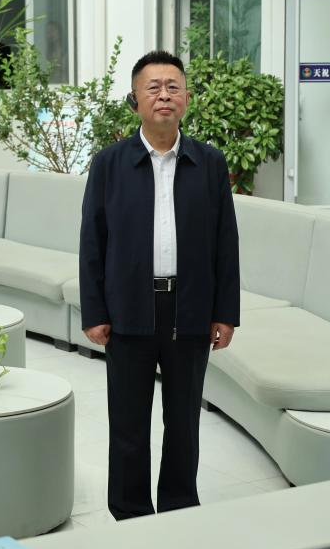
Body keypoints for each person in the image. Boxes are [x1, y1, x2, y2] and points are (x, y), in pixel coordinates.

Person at [79, 50, 239, 520]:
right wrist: (95, 311)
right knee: (128, 422)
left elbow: (225, 242)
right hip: (128, 308)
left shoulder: (209, 162)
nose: (164, 95)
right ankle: (130, 512)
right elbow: (92, 241)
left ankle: (179, 507)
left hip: (189, 310)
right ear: (135, 100)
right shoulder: (109, 164)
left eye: (173, 86)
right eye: (153, 87)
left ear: (186, 98)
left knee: (184, 422)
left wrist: (225, 311)